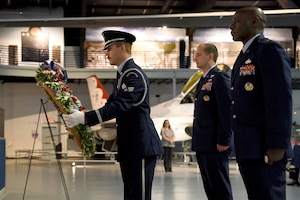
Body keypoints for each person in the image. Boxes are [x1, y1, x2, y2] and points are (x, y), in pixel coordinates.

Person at [62, 30, 164, 200]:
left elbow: (119, 106)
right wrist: (83, 115)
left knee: (139, 196)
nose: (106, 53)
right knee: (131, 195)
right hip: (131, 146)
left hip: (141, 146)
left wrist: (86, 118)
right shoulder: (123, 75)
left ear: (122, 48)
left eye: (109, 49)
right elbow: (110, 105)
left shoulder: (133, 75)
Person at [230, 7, 293, 200]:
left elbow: (279, 100)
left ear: (254, 22)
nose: (231, 26)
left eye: (237, 21)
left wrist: (277, 144)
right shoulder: (244, 56)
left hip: (265, 147)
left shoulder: (268, 50)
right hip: (248, 146)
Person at [192, 43, 233, 200]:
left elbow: (226, 111)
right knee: (210, 187)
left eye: (198, 54)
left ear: (210, 56)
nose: (195, 57)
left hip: (215, 144)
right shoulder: (203, 79)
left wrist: (224, 139)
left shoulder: (219, 77)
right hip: (203, 143)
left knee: (219, 186)